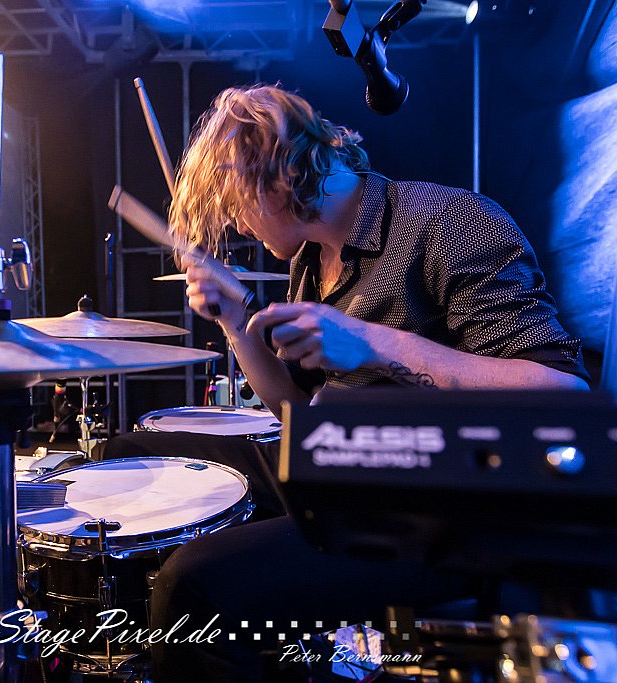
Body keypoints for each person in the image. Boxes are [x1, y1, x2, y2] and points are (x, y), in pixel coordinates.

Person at [106, 84, 589, 682]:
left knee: (193, 585)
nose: (232, 222)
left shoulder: (448, 221)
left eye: (234, 201)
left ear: (279, 175)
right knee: (123, 460)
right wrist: (233, 322)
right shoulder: (311, 259)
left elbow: (561, 395)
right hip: (341, 468)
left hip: (431, 507)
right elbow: (297, 414)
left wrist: (374, 343)